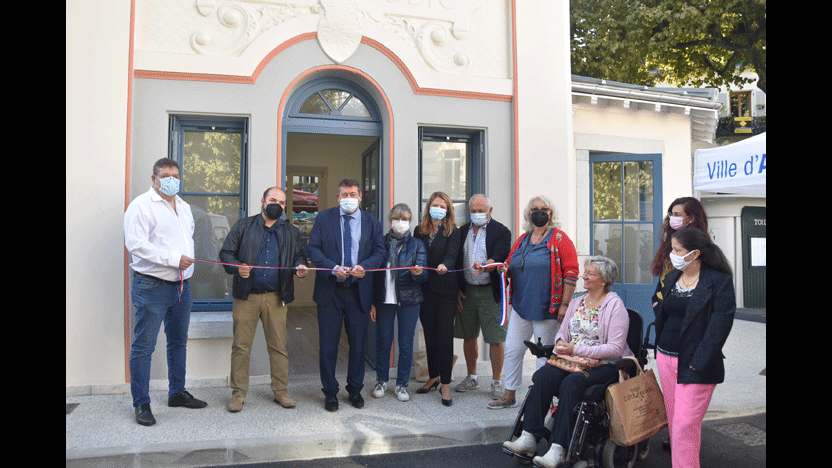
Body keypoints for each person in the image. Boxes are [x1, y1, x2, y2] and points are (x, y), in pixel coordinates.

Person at [503, 256, 633, 468]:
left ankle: (558, 449)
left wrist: (576, 349)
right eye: (585, 272)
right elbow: (561, 333)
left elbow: (615, 349)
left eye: (590, 274)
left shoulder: (615, 306)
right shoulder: (577, 301)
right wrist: (561, 344)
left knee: (571, 383)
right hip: (572, 360)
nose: (584, 276)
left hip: (605, 364)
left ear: (603, 280)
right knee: (544, 375)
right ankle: (529, 437)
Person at [123, 158, 207, 426]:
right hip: (151, 286)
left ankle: (177, 393)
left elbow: (188, 239)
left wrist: (182, 265)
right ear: (154, 178)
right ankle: (141, 403)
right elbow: (136, 245)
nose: (172, 179)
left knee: (178, 342)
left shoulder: (183, 207)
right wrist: (173, 259)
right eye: (166, 175)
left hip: (182, 286)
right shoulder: (140, 206)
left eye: (176, 175)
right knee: (143, 347)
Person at [219, 187, 309, 412]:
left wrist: (300, 267)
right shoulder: (243, 226)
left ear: (285, 206)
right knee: (241, 347)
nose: (276, 204)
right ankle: (238, 394)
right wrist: (237, 267)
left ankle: (280, 391)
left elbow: (299, 257)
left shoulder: (291, 232)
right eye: (272, 200)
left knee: (278, 347)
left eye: (281, 202)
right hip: (246, 297)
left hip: (276, 297)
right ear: (262, 201)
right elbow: (226, 253)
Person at [653, 227, 735, 468]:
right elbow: (664, 312)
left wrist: (698, 362)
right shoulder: (672, 278)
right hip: (666, 359)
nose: (671, 255)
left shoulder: (719, 282)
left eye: (677, 250)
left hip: (695, 364)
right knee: (676, 424)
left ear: (695, 253)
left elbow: (720, 326)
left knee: (684, 424)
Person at [491, 196, 579, 409]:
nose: (539, 212)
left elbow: (572, 272)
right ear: (528, 214)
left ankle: (543, 400)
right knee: (512, 350)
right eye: (535, 209)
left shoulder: (560, 239)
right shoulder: (522, 239)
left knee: (544, 357)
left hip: (547, 309)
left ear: (551, 213)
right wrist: (505, 269)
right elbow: (511, 264)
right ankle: (509, 395)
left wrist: (564, 305)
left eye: (544, 209)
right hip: (521, 306)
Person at [307, 178, 386, 411]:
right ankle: (330, 391)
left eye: (353, 194)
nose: (348, 198)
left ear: (360, 197)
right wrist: (333, 268)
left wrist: (365, 267)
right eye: (344, 194)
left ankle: (355, 389)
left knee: (358, 345)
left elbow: (380, 252)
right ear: (338, 197)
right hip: (330, 291)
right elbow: (312, 248)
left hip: (358, 292)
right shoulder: (324, 218)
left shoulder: (372, 223)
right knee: (328, 345)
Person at [454, 194, 512, 399]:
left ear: (490, 210)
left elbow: (500, 253)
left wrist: (486, 265)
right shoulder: (461, 232)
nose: (477, 214)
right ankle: (472, 377)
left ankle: (496, 382)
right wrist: (458, 290)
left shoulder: (502, 231)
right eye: (473, 210)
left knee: (495, 338)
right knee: (469, 336)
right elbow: (455, 261)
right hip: (467, 291)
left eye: (481, 210)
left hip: (491, 291)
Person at [369, 204, 428, 402]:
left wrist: (418, 274)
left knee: (405, 344)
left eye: (405, 218)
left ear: (410, 222)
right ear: (390, 221)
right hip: (384, 301)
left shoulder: (417, 245)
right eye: (396, 218)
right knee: (384, 342)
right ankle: (381, 380)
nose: (400, 222)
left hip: (409, 301)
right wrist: (372, 302)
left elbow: (424, 276)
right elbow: (373, 277)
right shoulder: (380, 243)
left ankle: (402, 384)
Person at [413, 192, 462, 406]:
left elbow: (451, 255)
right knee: (430, 335)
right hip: (425, 290)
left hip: (445, 291)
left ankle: (445, 384)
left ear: (448, 209)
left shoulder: (453, 231)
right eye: (435, 205)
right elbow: (414, 253)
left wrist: (446, 266)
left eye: (442, 205)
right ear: (428, 207)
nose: (438, 208)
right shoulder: (419, 230)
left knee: (445, 337)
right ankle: (432, 377)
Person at [650, 197, 709, 303]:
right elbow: (663, 275)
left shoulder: (700, 244)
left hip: (684, 304)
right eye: (671, 214)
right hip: (663, 302)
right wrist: (655, 300)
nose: (672, 218)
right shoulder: (668, 241)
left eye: (677, 215)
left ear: (691, 218)